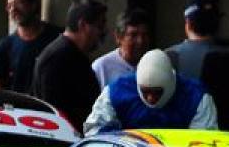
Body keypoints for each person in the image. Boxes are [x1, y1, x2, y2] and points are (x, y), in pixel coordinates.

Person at [84, 49, 217, 135]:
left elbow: (204, 144)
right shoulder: (116, 93)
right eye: (145, 91)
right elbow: (93, 130)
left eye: (157, 92)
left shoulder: (197, 98)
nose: (151, 98)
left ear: (171, 83)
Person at [166, 0, 229, 130]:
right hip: (221, 143)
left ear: (188, 23)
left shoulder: (168, 57)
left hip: (176, 144)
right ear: (217, 24)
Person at [31, 0, 107, 132]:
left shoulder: (74, 55)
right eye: (99, 26)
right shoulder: (57, 59)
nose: (102, 33)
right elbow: (54, 111)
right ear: (83, 25)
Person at [0, 0, 61, 93]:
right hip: (18, 107)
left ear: (33, 5)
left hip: (50, 107)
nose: (13, 9)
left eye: (19, 3)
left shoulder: (57, 38)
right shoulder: (6, 44)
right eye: (9, 6)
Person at [92, 8, 151, 88]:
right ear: (118, 37)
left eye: (144, 35)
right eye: (133, 35)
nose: (140, 41)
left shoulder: (154, 65)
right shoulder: (101, 68)